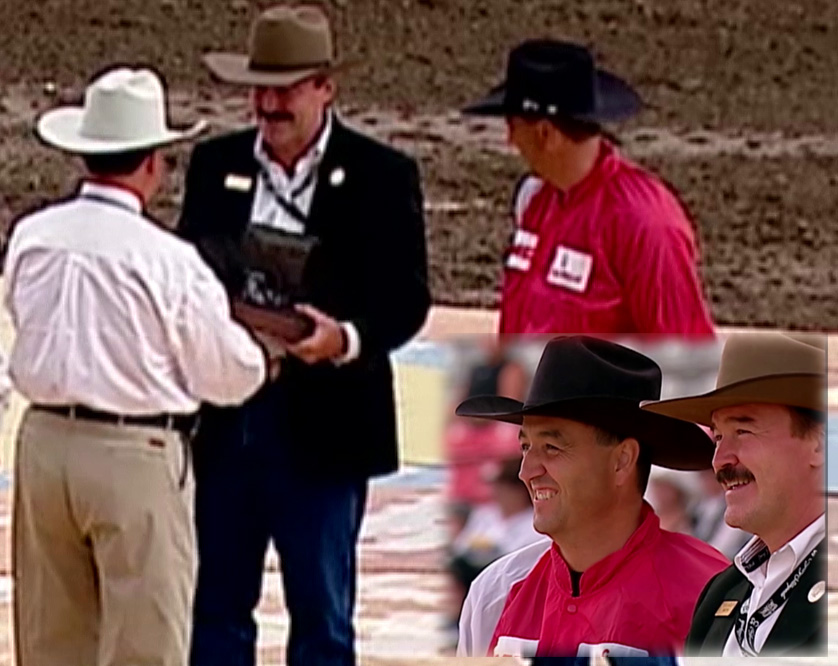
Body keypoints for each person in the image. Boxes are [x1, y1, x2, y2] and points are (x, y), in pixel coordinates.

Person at [177, 5, 431, 666]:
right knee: (214, 610)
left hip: (327, 432)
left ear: (326, 87)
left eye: (287, 87)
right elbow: (187, 273)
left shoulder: (381, 175)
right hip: (227, 427)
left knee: (321, 617)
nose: (269, 102)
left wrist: (344, 339)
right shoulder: (214, 164)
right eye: (260, 87)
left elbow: (405, 298)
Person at [3, 67, 268, 666]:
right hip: (135, 453)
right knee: (146, 644)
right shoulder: (168, 260)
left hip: (44, 442)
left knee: (50, 640)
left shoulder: (32, 235)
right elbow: (228, 375)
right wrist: (262, 355)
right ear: (153, 164)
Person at [454, 336, 728, 659]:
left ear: (622, 460)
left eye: (552, 448)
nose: (526, 472)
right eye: (525, 447)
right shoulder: (492, 594)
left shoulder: (709, 598)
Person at [462, 40, 715, 336]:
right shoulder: (535, 199)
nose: (510, 140)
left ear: (546, 133)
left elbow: (688, 361)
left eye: (512, 125)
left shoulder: (644, 223)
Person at [642, 332, 826, 656]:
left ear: (820, 444)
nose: (719, 460)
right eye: (718, 438)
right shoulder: (722, 592)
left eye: (743, 431)